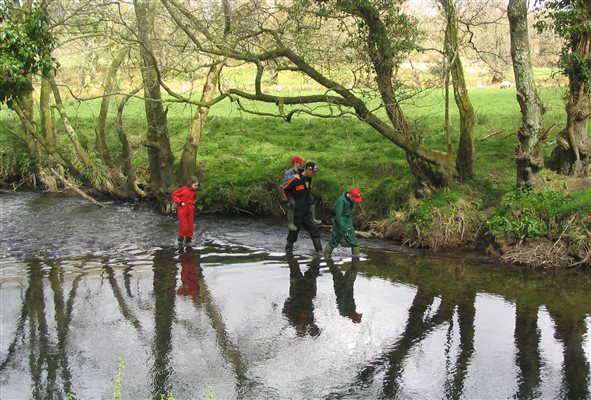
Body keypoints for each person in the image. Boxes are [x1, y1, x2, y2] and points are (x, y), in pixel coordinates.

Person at [279, 162, 323, 253]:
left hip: (306, 211)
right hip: (296, 211)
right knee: (293, 233)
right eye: (312, 171)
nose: (313, 173)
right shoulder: (296, 179)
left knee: (314, 230)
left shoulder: (309, 178)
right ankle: (288, 252)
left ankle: (320, 253)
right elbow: (282, 188)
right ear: (308, 169)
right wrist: (287, 201)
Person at [324, 187, 362, 258]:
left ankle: (356, 260)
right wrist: (342, 228)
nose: (355, 201)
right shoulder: (341, 201)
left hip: (348, 223)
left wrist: (350, 225)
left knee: (354, 242)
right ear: (350, 195)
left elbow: (349, 214)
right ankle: (326, 257)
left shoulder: (351, 200)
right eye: (354, 198)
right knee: (335, 241)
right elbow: (338, 216)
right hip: (339, 223)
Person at [171, 176, 199, 249]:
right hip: (182, 210)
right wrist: (180, 202)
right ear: (190, 184)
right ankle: (180, 241)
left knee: (190, 228)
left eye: (197, 185)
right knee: (184, 228)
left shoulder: (194, 191)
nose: (196, 187)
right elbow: (174, 195)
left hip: (190, 210)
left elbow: (192, 199)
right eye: (195, 185)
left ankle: (188, 242)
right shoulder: (184, 189)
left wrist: (193, 204)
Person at [279, 156, 305, 231]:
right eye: (299, 163)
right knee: (292, 203)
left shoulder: (300, 171)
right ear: (295, 163)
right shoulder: (289, 172)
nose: (301, 164)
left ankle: (303, 220)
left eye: (301, 163)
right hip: (287, 192)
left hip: (296, 191)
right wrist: (293, 176)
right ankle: (290, 224)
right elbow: (284, 184)